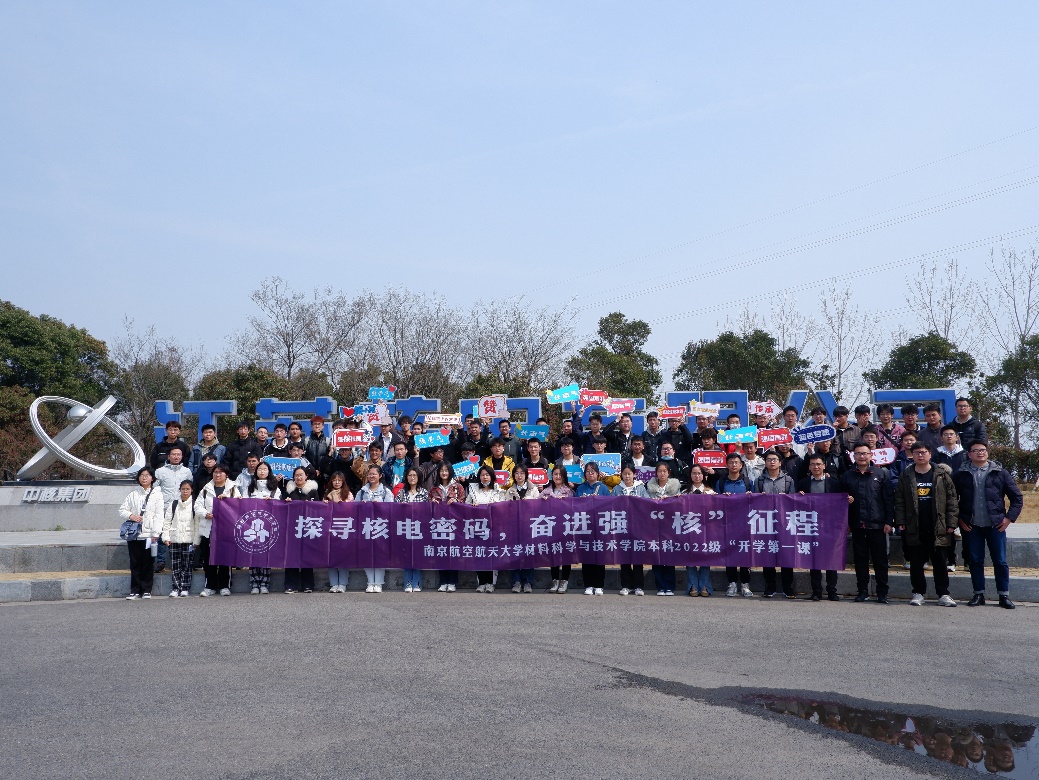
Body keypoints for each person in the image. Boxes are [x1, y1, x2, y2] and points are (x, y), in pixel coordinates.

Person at [953, 440, 1024, 609]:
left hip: (996, 525)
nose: (980, 453)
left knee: (1000, 561)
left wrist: (1008, 518)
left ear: (987, 452)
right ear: (969, 454)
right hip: (972, 526)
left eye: (983, 450)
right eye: (976, 450)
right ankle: (978, 594)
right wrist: (960, 519)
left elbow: (1017, 498)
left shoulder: (1000, 472)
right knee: (975, 560)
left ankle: (1003, 595)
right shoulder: (961, 474)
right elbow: (951, 499)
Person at [894, 443, 959, 607]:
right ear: (912, 455)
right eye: (917, 453)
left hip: (938, 525)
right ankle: (918, 593)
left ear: (930, 454)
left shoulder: (941, 474)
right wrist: (900, 521)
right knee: (916, 563)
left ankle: (943, 594)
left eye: (923, 452)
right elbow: (899, 500)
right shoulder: (906, 475)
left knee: (940, 563)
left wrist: (951, 523)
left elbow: (952, 500)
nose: (920, 455)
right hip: (914, 525)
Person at [841, 442, 894, 604]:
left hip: (878, 525)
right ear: (853, 456)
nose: (862, 456)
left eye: (865, 453)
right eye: (858, 453)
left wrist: (889, 521)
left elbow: (888, 499)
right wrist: (846, 501)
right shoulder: (847, 475)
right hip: (857, 524)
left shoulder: (881, 473)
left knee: (880, 561)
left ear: (871, 455)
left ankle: (882, 592)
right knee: (860, 560)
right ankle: (862, 591)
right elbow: (840, 500)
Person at [796, 454, 847, 601]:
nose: (816, 467)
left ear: (824, 466)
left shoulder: (834, 483)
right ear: (809, 467)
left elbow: (841, 503)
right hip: (811, 525)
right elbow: (796, 503)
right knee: (814, 560)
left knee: (831, 559)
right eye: (813, 464)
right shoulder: (803, 483)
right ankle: (816, 591)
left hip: (830, 526)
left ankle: (832, 591)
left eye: (818, 464)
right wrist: (799, 496)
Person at [118, 467, 163, 600]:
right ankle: (135, 590)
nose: (144, 477)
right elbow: (122, 510)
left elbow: (159, 515)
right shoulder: (133, 494)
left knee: (148, 562)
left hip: (149, 535)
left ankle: (147, 590)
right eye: (142, 475)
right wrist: (131, 516)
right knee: (135, 563)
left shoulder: (157, 494)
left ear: (152, 478)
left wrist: (156, 533)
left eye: (147, 475)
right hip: (134, 534)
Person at [194, 465, 239, 597]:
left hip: (227, 529)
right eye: (215, 472)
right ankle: (210, 586)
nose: (217, 475)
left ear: (226, 475)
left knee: (226, 558)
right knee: (209, 559)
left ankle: (225, 585)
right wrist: (205, 513)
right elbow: (197, 506)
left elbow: (239, 506)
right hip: (209, 528)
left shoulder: (233, 489)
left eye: (220, 472)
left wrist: (228, 501)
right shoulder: (206, 489)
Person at [756, 450, 796, 599]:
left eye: (774, 459)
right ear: (765, 463)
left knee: (787, 554)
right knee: (767, 555)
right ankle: (770, 587)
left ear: (780, 462)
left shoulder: (788, 480)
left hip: (784, 523)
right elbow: (755, 502)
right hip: (766, 523)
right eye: (769, 459)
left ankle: (787, 587)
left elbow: (794, 501)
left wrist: (787, 498)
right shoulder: (759, 480)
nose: (772, 462)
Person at [718, 453, 754, 597]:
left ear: (741, 465)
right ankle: (732, 583)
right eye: (731, 462)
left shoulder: (748, 482)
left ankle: (745, 584)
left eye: (736, 462)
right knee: (730, 554)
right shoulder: (721, 482)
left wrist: (750, 496)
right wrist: (722, 498)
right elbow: (715, 502)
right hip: (727, 524)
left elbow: (756, 502)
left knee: (745, 553)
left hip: (745, 524)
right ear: (726, 465)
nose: (733, 465)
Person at [153, 446, 193, 573]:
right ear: (168, 456)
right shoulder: (160, 471)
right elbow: (155, 489)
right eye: (174, 454)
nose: (176, 457)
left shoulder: (187, 471)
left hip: (182, 507)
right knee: (162, 534)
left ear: (182, 457)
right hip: (165, 507)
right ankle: (161, 561)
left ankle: (181, 561)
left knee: (181, 533)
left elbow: (190, 488)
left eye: (179, 454)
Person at [467, 465, 506, 592]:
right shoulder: (473, 489)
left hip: (493, 527)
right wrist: (473, 506)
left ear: (492, 476)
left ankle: (491, 583)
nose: (485, 477)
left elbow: (503, 507)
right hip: (477, 527)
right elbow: (466, 506)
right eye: (482, 475)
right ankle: (482, 582)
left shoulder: (498, 490)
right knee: (479, 554)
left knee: (492, 554)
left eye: (487, 475)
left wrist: (495, 506)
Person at [246, 460, 283, 594]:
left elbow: (280, 506)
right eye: (260, 469)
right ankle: (254, 584)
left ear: (269, 472)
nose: (262, 471)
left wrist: (272, 502)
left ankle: (264, 584)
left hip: (267, 526)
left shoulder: (275, 488)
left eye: (264, 469)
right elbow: (243, 505)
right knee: (252, 555)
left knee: (266, 555)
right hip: (251, 525)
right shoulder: (250, 488)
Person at [429, 462, 466, 592]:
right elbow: (428, 504)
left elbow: (464, 503)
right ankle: (443, 581)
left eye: (446, 470)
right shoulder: (434, 488)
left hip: (454, 524)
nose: (444, 473)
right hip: (439, 524)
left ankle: (452, 582)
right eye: (442, 470)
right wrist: (432, 503)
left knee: (453, 552)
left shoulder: (458, 487)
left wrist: (456, 502)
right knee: (441, 552)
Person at [357, 464, 393, 592]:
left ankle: (378, 583)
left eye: (374, 474)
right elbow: (354, 509)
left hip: (381, 527)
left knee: (380, 555)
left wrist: (380, 505)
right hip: (366, 527)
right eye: (369, 474)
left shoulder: (386, 492)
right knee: (367, 554)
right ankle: (370, 582)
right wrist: (361, 505)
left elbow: (391, 510)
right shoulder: (362, 491)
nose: (371, 476)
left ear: (380, 475)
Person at [575, 462, 609, 596]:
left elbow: (610, 505)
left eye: (593, 471)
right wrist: (581, 501)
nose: (590, 473)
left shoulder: (603, 488)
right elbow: (573, 506)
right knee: (586, 556)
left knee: (600, 556)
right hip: (585, 526)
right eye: (588, 471)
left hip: (599, 526)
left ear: (598, 473)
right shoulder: (580, 488)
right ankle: (588, 585)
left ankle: (599, 585)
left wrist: (598, 500)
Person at [646, 462, 681, 596]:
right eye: (660, 471)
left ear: (668, 473)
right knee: (656, 556)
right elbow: (645, 504)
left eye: (664, 471)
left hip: (669, 525)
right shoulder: (650, 487)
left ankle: (670, 587)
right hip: (654, 526)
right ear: (656, 473)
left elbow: (679, 504)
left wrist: (672, 499)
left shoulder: (675, 487)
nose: (662, 473)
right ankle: (660, 586)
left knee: (669, 556)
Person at [283, 467, 319, 594]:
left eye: (301, 475)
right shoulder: (289, 490)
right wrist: (286, 502)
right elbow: (281, 506)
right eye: (296, 475)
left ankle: (308, 585)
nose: (299, 477)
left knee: (307, 556)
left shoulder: (313, 491)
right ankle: (290, 585)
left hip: (308, 527)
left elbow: (318, 508)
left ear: (306, 476)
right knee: (291, 556)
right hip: (292, 527)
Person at [504, 464, 540, 592]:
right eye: (517, 473)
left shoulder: (534, 489)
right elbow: (505, 509)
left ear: (526, 475)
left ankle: (528, 582)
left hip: (530, 526)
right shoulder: (510, 491)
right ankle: (516, 581)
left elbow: (539, 507)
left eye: (522, 473)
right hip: (514, 526)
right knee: (515, 554)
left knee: (528, 554)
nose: (519, 476)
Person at [394, 467, 429, 593]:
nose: (412, 478)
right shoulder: (401, 492)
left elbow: (427, 510)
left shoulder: (424, 492)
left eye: (414, 475)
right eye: (410, 475)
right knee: (406, 555)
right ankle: (407, 582)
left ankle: (417, 582)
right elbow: (394, 509)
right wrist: (401, 507)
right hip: (405, 527)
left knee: (418, 555)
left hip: (419, 527)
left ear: (418, 477)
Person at [542, 465, 575, 593]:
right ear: (552, 476)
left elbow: (574, 508)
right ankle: (555, 580)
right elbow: (537, 507)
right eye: (555, 474)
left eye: (560, 474)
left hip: (565, 527)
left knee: (566, 553)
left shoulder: (569, 492)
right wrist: (542, 501)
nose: (558, 477)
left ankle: (564, 581)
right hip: (551, 527)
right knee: (553, 554)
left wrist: (565, 502)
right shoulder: (546, 491)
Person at [161, 479, 196, 598]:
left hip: (189, 539)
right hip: (174, 538)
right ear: (179, 490)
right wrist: (165, 537)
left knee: (187, 565)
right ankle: (175, 588)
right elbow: (167, 522)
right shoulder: (174, 504)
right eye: (183, 489)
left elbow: (197, 524)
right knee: (175, 565)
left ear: (192, 490)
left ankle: (185, 588)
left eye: (187, 489)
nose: (185, 491)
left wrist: (196, 540)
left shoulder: (195, 504)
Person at [685, 464, 716, 598]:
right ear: (690, 475)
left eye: (699, 473)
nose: (697, 476)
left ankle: (705, 585)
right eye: (694, 473)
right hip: (689, 529)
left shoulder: (710, 492)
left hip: (706, 530)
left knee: (705, 557)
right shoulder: (685, 492)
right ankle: (692, 585)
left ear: (703, 476)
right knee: (690, 557)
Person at [324, 471, 354, 593]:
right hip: (331, 528)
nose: (337, 482)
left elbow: (352, 510)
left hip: (344, 528)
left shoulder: (348, 494)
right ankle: (333, 583)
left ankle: (342, 583)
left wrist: (343, 505)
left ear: (343, 481)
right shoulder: (327, 494)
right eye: (334, 480)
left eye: (339, 480)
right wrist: (325, 504)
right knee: (331, 557)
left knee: (343, 556)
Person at [305, 415, 330, 489]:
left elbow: (329, 458)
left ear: (323, 426)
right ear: (311, 426)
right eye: (315, 424)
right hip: (309, 474)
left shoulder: (327, 441)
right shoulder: (306, 440)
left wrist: (320, 470)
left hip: (323, 475)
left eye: (319, 424)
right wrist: (312, 470)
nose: (317, 426)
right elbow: (304, 457)